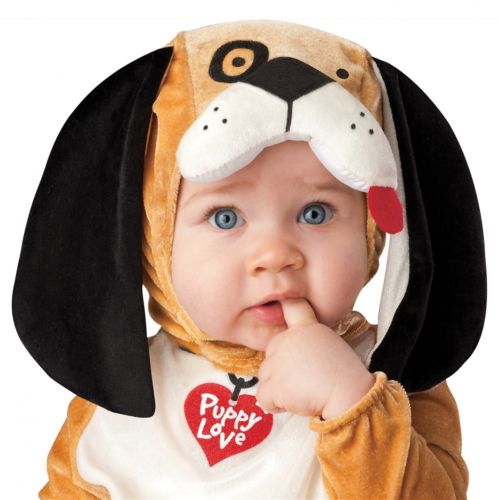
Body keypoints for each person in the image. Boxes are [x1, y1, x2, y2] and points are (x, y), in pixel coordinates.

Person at [12, 19, 485, 499]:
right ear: (152, 234)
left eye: (316, 212)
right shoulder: (115, 394)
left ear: (372, 229)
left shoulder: (397, 378)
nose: (275, 256)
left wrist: (350, 403)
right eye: (224, 217)